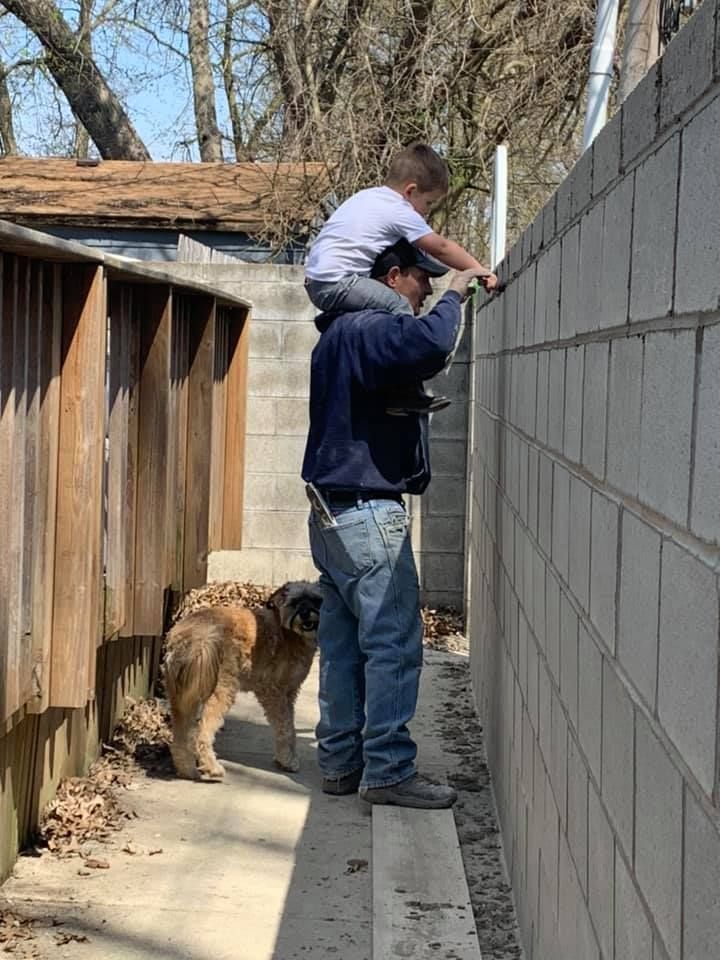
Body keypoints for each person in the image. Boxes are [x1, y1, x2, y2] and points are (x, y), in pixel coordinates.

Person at [301, 238, 484, 809]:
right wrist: (459, 292)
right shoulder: (368, 327)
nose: (427, 288)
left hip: (333, 512)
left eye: (436, 282)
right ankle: (387, 772)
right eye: (422, 280)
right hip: (366, 514)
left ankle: (340, 763)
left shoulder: (338, 334)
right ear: (393, 275)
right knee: (395, 644)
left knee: (343, 645)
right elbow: (429, 346)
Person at [304, 143, 497, 416]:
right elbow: (440, 247)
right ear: (410, 191)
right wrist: (481, 270)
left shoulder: (368, 198)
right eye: (428, 204)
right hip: (338, 281)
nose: (426, 213)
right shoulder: (399, 210)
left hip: (318, 280)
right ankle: (403, 393)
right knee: (399, 308)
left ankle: (398, 389)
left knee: (387, 311)